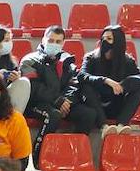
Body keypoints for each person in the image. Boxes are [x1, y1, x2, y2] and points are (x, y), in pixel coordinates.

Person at [19, 26, 101, 161]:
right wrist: (58, 101)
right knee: (53, 115)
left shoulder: (67, 61)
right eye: (51, 40)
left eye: (58, 41)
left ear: (63, 43)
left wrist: (67, 101)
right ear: (43, 39)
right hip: (35, 103)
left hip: (62, 102)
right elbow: (33, 88)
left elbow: (75, 83)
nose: (54, 44)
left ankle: (73, 155)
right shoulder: (30, 60)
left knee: (89, 114)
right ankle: (36, 157)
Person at [76, 25, 140, 135]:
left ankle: (121, 125)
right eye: (103, 38)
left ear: (118, 41)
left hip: (116, 104)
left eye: (109, 39)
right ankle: (104, 127)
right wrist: (105, 80)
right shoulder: (91, 57)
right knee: (86, 87)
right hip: (96, 105)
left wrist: (123, 85)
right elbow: (81, 75)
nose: (104, 41)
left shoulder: (127, 61)